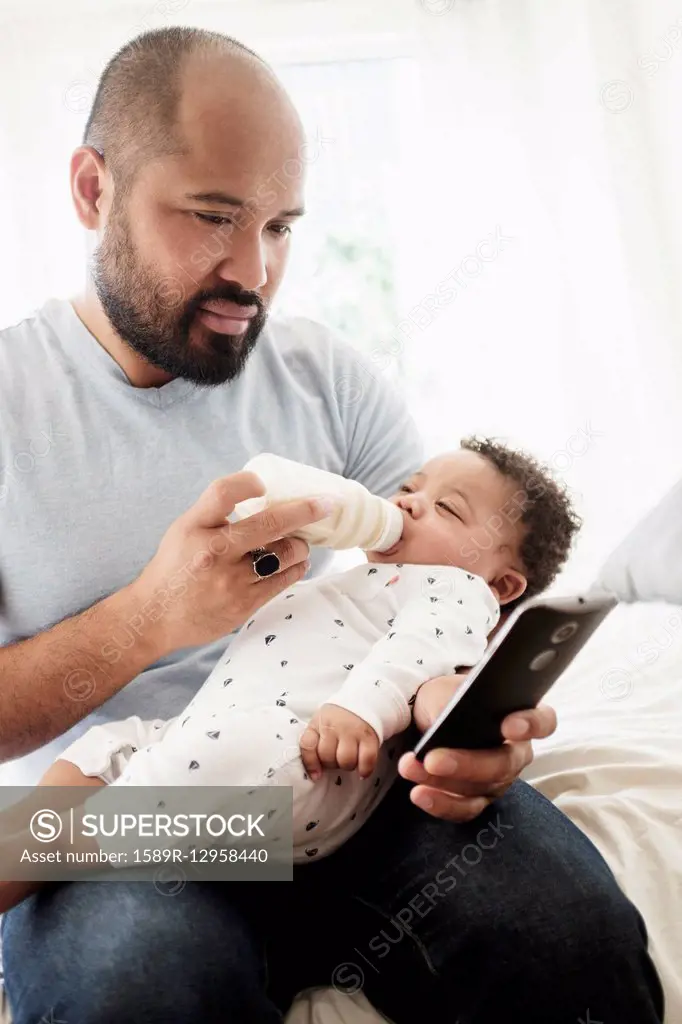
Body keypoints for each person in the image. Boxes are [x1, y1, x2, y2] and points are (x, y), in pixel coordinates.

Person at [0, 25, 664, 1024]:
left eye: (280, 228)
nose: (254, 272)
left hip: (355, 780)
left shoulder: (329, 380)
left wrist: (474, 728)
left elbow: (443, 589)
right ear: (93, 191)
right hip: (143, 805)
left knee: (566, 941)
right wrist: (149, 618)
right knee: (139, 985)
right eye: (213, 217)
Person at [0, 439, 579, 893]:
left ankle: (42, 853)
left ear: (501, 584)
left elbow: (420, 655)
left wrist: (362, 709)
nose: (406, 503)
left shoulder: (457, 591)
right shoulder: (365, 583)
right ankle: (33, 839)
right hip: (217, 736)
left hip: (296, 755)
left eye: (446, 509)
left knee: (181, 779)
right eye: (410, 487)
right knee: (109, 747)